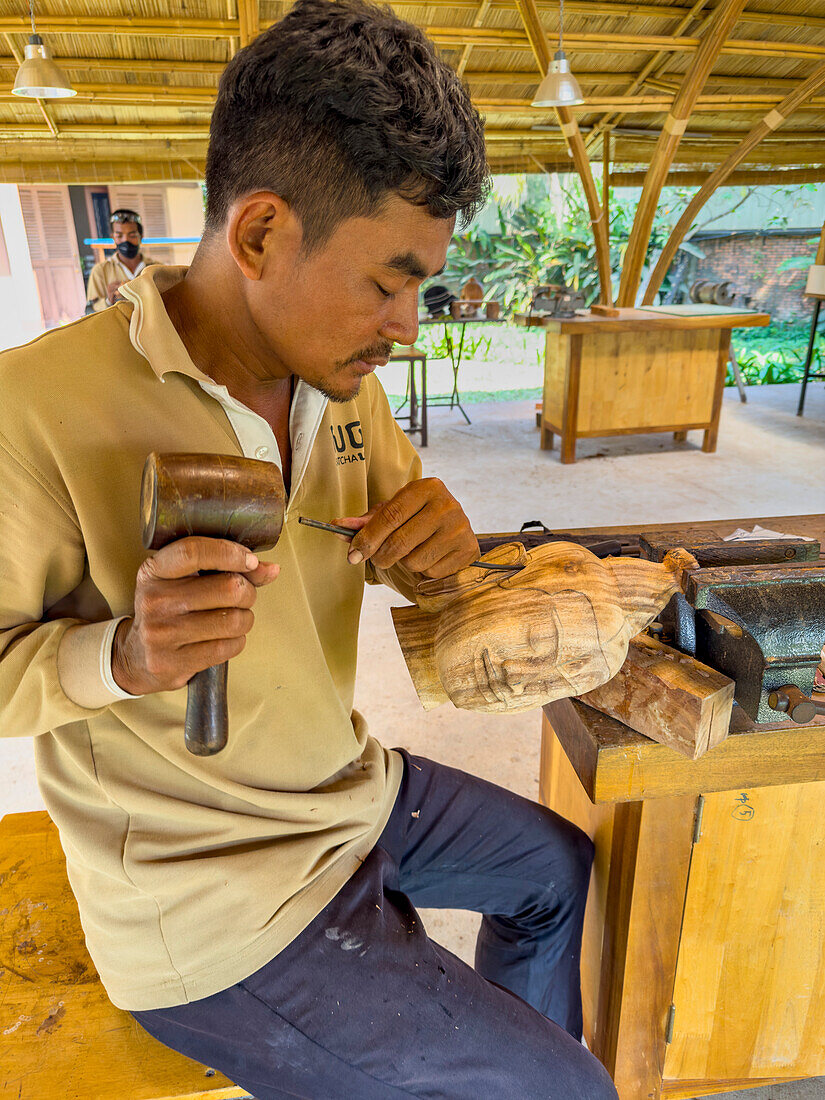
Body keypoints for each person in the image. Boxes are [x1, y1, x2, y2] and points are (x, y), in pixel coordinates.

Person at [0, 2, 618, 1097]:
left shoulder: (337, 382)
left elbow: (395, 540)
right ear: (259, 234)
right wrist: (127, 659)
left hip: (345, 793)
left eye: (420, 284)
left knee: (557, 870)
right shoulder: (34, 410)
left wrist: (429, 547)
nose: (409, 326)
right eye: (386, 281)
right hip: (209, 898)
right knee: (569, 1087)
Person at [85, 208, 159, 312]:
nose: (125, 240)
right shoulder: (100, 271)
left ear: (141, 237)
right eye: (119, 236)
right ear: (113, 237)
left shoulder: (156, 269)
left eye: (132, 235)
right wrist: (109, 301)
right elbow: (90, 313)